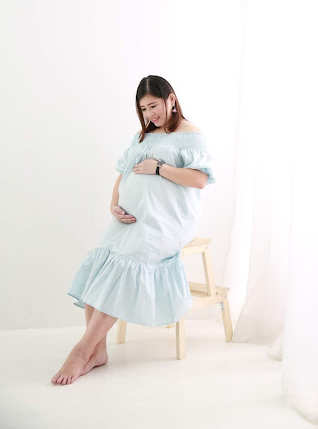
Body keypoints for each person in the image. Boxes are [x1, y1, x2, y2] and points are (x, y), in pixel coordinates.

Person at [51, 75, 216, 385]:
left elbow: (199, 179)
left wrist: (159, 168)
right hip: (131, 219)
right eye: (143, 109)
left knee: (122, 267)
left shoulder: (191, 135)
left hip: (166, 222)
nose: (149, 114)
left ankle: (81, 351)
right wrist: (114, 204)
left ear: (171, 99)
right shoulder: (143, 135)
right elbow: (123, 174)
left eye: (153, 106)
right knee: (101, 262)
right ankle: (98, 351)